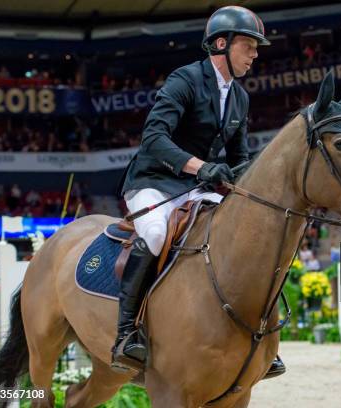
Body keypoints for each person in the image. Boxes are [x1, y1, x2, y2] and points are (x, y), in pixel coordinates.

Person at [112, 6, 285, 379]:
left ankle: (260, 339)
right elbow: (153, 139)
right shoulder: (185, 80)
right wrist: (203, 168)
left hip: (196, 188)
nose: (255, 54)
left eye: (257, 48)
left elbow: (240, 159)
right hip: (154, 182)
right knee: (157, 233)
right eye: (248, 45)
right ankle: (126, 333)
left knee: (246, 235)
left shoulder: (239, 98)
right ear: (220, 44)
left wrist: (244, 182)